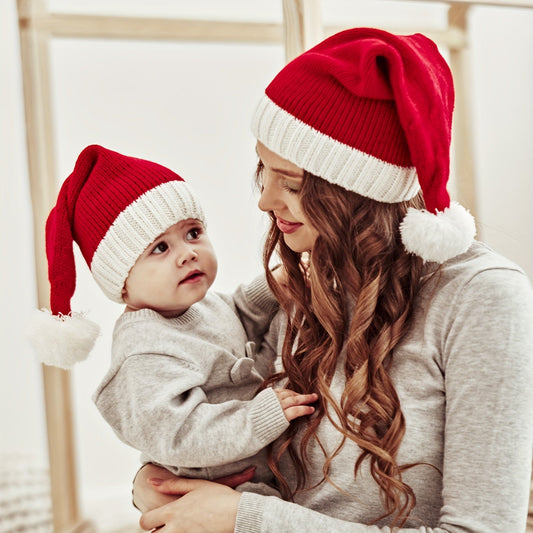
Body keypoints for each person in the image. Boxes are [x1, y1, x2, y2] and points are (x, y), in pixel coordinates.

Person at [132, 27, 533, 532]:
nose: (264, 200)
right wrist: (155, 480)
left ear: (356, 192)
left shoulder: (482, 297)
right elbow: (220, 420)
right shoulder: (301, 283)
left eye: (293, 184)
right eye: (264, 170)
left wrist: (249, 520)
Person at [28, 144, 317, 493]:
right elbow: (179, 433)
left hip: (258, 472)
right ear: (121, 278)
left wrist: (274, 285)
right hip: (215, 487)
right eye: (160, 248)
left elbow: (238, 313)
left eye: (193, 233)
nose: (188, 254)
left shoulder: (195, 308)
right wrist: (258, 417)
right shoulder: (144, 352)